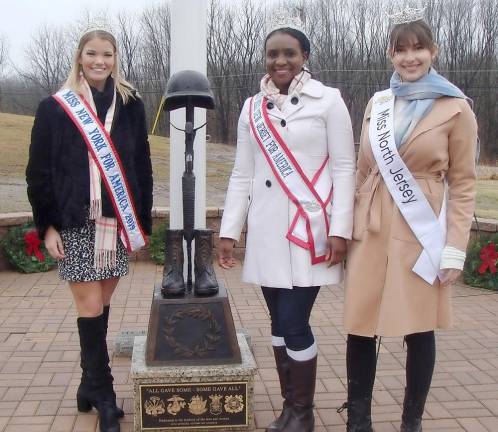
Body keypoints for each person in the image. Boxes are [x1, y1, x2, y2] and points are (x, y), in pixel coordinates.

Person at [342, 15, 478, 432]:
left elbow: (463, 184)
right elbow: (363, 170)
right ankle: (359, 421)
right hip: (372, 226)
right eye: (400, 49)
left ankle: (411, 422)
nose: (410, 57)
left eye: (418, 47)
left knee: (418, 328)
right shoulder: (378, 104)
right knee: (360, 326)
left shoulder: (456, 108)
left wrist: (454, 248)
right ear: (390, 54)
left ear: (433, 51)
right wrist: (345, 229)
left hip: (422, 230)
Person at [218, 25, 356, 432]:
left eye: (290, 53)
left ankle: (303, 415)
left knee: (295, 323)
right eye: (273, 54)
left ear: (305, 56)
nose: (280, 61)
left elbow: (344, 167)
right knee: (279, 325)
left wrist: (341, 228)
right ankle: (289, 410)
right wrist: (230, 230)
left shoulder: (328, 101)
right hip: (266, 230)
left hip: (311, 228)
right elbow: (242, 173)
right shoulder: (251, 108)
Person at [26, 28, 153, 432]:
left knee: (102, 303)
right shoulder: (55, 107)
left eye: (107, 54)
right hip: (76, 219)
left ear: (117, 58)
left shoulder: (131, 104)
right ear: (79, 56)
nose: (100, 61)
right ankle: (104, 395)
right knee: (91, 308)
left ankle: (86, 383)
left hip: (117, 221)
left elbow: (142, 166)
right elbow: (38, 172)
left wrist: (142, 222)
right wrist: (47, 226)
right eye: (92, 53)